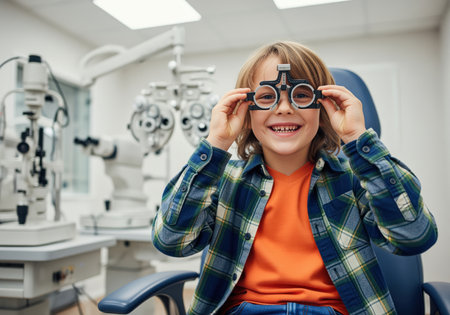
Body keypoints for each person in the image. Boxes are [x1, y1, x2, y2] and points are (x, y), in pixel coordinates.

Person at [151, 41, 438, 315]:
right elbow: (171, 241)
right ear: (246, 109)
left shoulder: (353, 179)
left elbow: (413, 235)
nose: (284, 107)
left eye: (301, 94)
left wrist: (358, 139)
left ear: (323, 107)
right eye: (266, 96)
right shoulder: (226, 180)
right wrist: (215, 146)